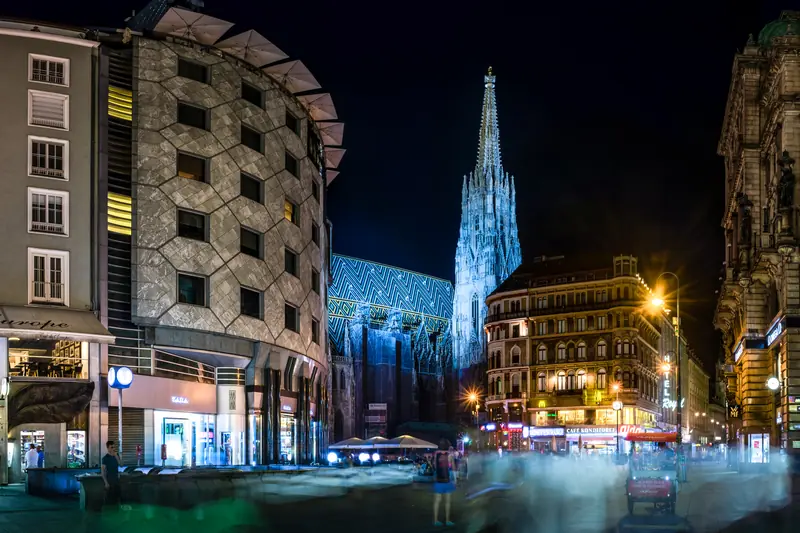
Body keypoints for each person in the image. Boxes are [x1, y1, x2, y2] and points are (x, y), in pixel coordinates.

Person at [432, 439, 456, 527]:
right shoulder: (450, 455)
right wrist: (455, 480)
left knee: (437, 502)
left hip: (438, 480)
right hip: (447, 480)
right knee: (447, 502)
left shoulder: (436, 454)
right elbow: (453, 468)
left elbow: (434, 466)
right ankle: (447, 520)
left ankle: (435, 520)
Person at [101, 440, 122, 510]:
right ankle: (108, 510)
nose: (113, 449)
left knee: (117, 496)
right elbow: (103, 471)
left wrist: (116, 456)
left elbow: (121, 465)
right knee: (109, 497)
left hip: (116, 479)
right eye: (111, 447)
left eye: (114, 447)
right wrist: (106, 482)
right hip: (109, 479)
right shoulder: (105, 458)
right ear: (108, 448)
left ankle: (117, 510)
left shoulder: (116, 456)